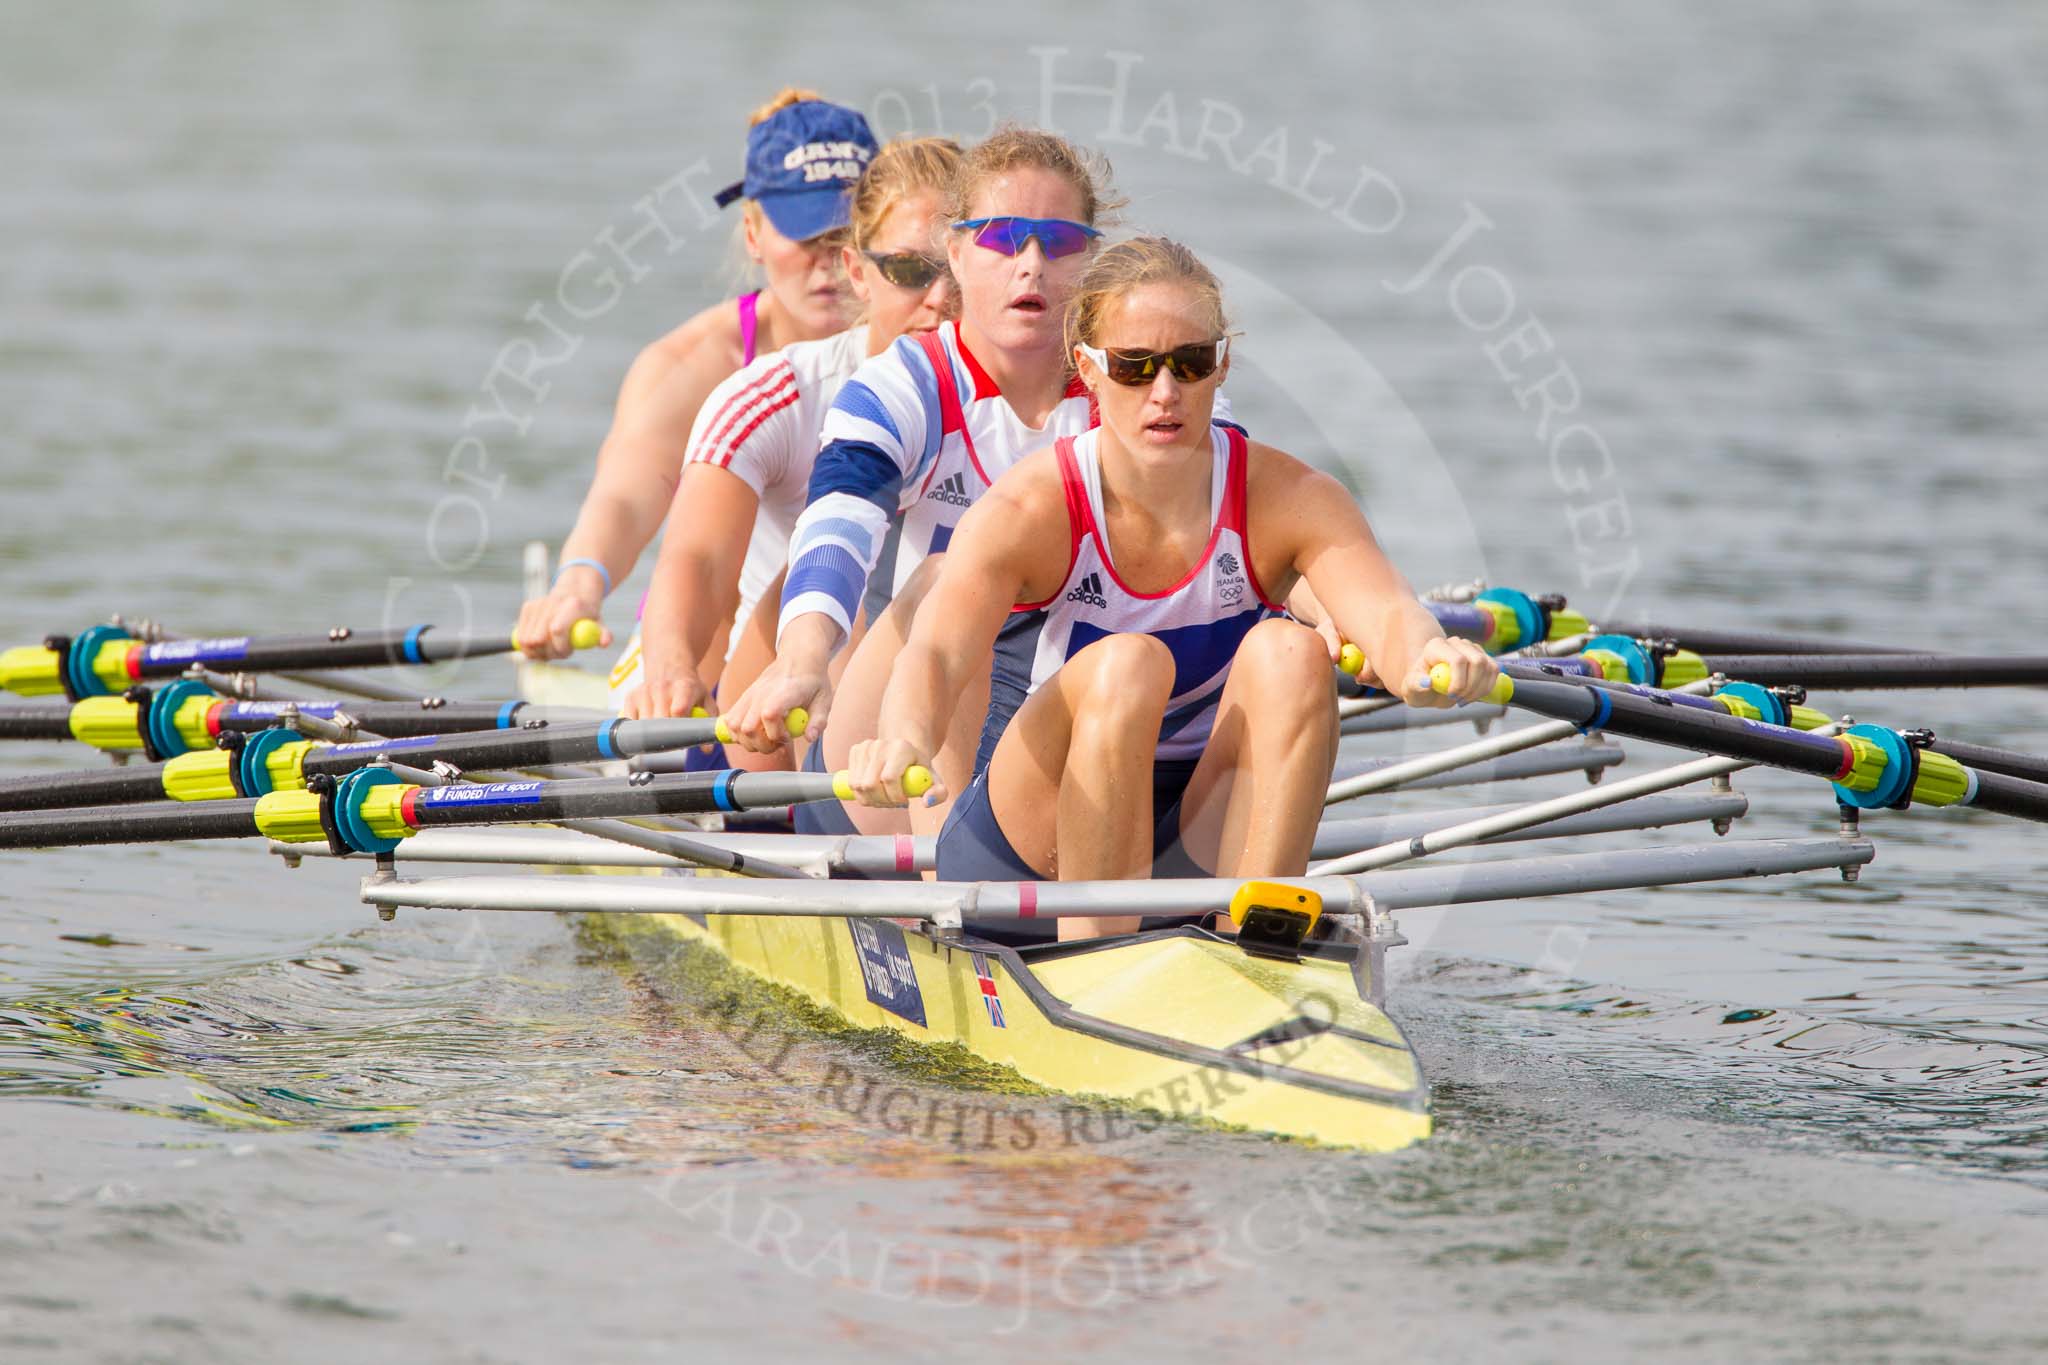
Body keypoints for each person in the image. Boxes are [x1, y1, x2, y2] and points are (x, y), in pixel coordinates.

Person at [842, 238, 1501, 939]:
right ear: (1088, 371)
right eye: (1135, 367)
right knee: (1130, 663)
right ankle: (1101, 967)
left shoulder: (1290, 496)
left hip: (1189, 831)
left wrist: (1431, 658)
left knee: (1293, 652)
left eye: (1190, 363)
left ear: (1220, 366)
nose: (1165, 392)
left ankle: (1259, 938)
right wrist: (904, 738)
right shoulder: (1031, 510)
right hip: (1032, 847)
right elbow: (938, 654)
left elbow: (1391, 616)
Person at [721, 127, 1236, 840]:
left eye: (1057, 241)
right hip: (888, 765)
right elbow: (837, 521)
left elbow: (1244, 521)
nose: (1030, 264)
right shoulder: (903, 387)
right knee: (952, 575)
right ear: (956, 254)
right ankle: (948, 884)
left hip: (1061, 737)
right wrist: (805, 658)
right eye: (1001, 238)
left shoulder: (1145, 383)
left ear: (1091, 260)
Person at [614, 137, 964, 780]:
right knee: (841, 563)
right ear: (858, 272)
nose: (939, 298)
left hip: (940, 688)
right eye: (911, 271)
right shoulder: (775, 395)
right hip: (766, 705)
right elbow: (696, 558)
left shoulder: (1034, 402)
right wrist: (671, 667)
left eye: (959, 270)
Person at [515, 90, 879, 662]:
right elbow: (627, 496)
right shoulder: (695, 364)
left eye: (847, 233)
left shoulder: (928, 347)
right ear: (754, 234)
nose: (829, 258)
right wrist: (579, 584)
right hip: (715, 649)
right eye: (807, 234)